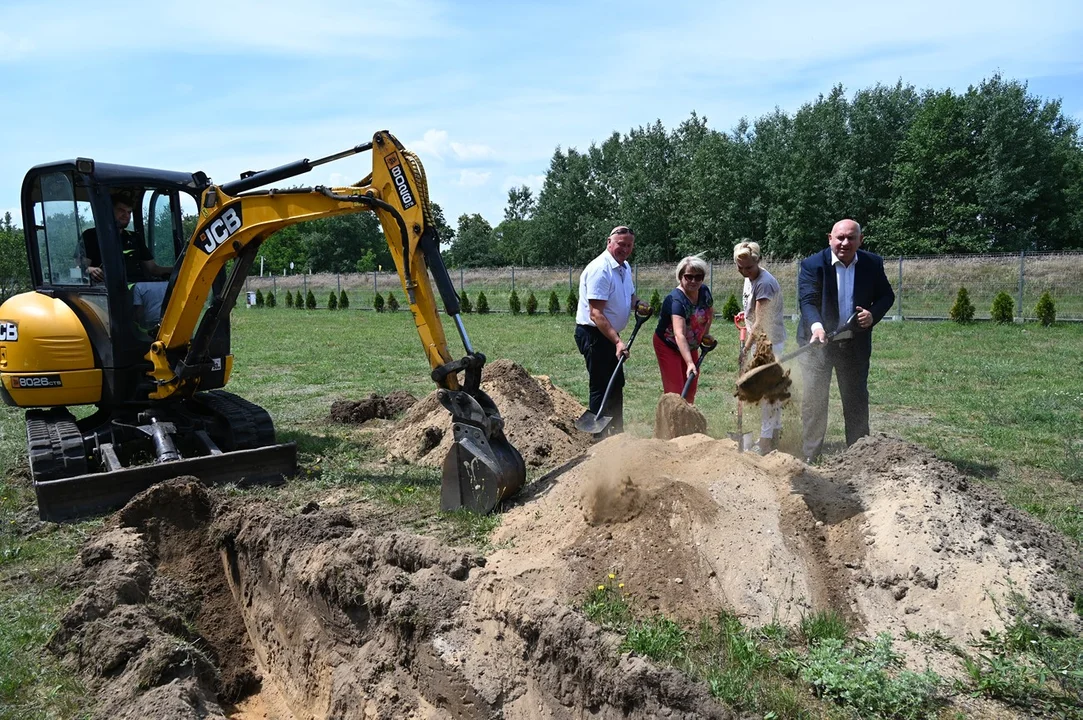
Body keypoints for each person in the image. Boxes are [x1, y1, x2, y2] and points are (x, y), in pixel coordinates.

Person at [798, 219, 895, 462]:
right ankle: (811, 455)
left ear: (860, 240)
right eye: (840, 237)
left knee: (856, 399)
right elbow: (808, 300)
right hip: (817, 344)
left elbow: (886, 295)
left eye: (851, 238)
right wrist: (817, 326)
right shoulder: (812, 265)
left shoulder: (872, 263)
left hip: (854, 344)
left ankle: (859, 455)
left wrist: (873, 314)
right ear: (829, 237)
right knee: (814, 399)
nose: (845, 243)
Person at [574, 226, 644, 436]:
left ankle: (617, 432)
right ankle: (598, 437)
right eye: (621, 244)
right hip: (594, 334)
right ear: (609, 242)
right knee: (601, 384)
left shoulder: (624, 267)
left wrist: (639, 304)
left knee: (616, 383)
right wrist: (617, 342)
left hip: (609, 335)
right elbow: (596, 313)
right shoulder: (600, 269)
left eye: (629, 245)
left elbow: (630, 296)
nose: (625, 249)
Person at [734, 240, 785, 454]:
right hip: (760, 341)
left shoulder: (764, 283)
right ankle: (776, 434)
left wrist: (745, 350)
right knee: (771, 392)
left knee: (767, 393)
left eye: (749, 267)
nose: (745, 272)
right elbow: (753, 312)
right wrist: (744, 315)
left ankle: (765, 442)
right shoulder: (750, 278)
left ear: (758, 262)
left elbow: (759, 323)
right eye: (740, 268)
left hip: (769, 343)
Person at [653, 255, 713, 404]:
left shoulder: (704, 291)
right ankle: (673, 423)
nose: (694, 281)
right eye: (689, 277)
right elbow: (679, 334)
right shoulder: (676, 301)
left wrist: (705, 335)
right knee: (676, 389)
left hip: (691, 343)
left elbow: (709, 312)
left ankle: (687, 421)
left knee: (691, 385)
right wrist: (690, 362)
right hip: (669, 345)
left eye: (698, 277)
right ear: (680, 277)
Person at [79, 191, 171, 285]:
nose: (126, 215)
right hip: (111, 289)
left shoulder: (134, 238)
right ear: (109, 211)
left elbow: (153, 269)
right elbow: (79, 268)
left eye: (129, 212)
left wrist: (178, 269)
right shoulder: (91, 236)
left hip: (139, 286)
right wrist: (90, 270)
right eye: (121, 210)